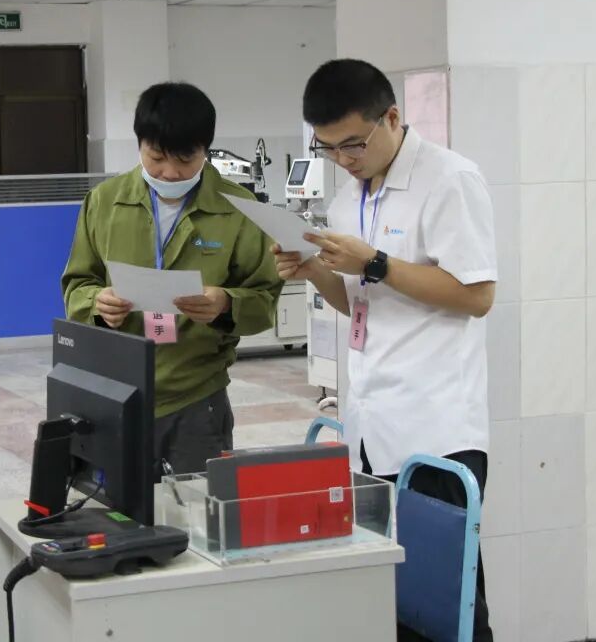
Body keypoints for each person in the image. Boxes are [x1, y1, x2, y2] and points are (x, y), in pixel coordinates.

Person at [273, 59, 497, 641]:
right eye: (327, 148)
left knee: (447, 606)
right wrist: (312, 270)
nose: (343, 159)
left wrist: (375, 262)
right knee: (390, 600)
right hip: (372, 427)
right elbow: (359, 303)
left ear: (392, 118)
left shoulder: (449, 180)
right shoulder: (348, 201)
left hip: (436, 429)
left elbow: (476, 295)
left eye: (352, 143)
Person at [62, 82, 283, 475]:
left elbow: (265, 299)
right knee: (120, 507)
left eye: (185, 159)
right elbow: (77, 284)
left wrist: (226, 304)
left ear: (206, 150)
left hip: (196, 396)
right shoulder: (105, 202)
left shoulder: (239, 209)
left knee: (196, 507)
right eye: (157, 157)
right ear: (140, 144)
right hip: (117, 391)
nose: (169, 172)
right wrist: (96, 303)